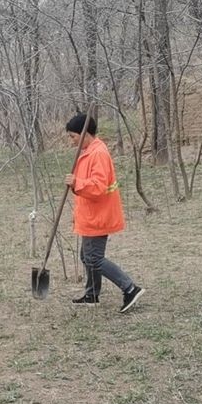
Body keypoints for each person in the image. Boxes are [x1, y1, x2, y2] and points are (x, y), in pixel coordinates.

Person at [63, 113, 144, 313]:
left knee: (94, 258)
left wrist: (76, 183)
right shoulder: (89, 151)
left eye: (73, 136)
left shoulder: (98, 153)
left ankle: (130, 288)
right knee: (87, 256)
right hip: (90, 214)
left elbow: (98, 187)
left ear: (84, 134)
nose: (72, 141)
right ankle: (92, 294)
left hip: (98, 215)